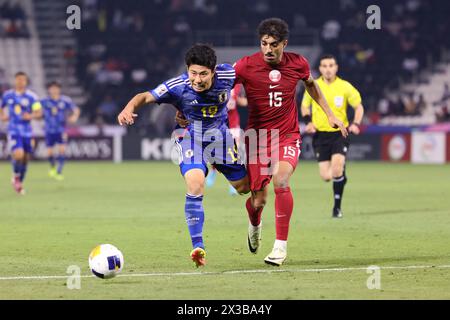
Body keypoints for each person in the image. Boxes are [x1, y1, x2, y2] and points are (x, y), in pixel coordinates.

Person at [177, 18, 347, 266]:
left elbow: (311, 85)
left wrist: (330, 114)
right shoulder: (245, 66)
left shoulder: (298, 63)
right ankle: (254, 222)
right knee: (258, 201)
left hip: (287, 134)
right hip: (257, 139)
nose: (268, 48)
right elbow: (216, 85)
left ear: (284, 44)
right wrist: (186, 109)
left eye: (273, 44)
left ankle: (280, 247)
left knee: (282, 179)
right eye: (264, 43)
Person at [117, 44, 250, 267]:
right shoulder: (177, 85)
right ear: (187, 70)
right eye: (193, 73)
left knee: (244, 188)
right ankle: (198, 246)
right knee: (195, 182)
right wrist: (128, 108)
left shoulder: (228, 74)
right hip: (191, 139)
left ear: (214, 71)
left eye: (203, 74)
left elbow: (252, 74)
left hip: (221, 139)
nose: (197, 79)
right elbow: (144, 96)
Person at [301, 54, 364, 218]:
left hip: (339, 133)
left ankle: (337, 208)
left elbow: (358, 107)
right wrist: (308, 121)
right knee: (326, 176)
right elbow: (304, 107)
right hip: (320, 135)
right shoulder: (313, 86)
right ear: (320, 68)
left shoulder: (345, 87)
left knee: (336, 169)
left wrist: (356, 123)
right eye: (324, 66)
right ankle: (341, 175)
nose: (328, 69)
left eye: (331, 65)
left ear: (336, 68)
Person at [0, 72, 42, 194]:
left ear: (26, 81)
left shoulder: (32, 96)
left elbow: (39, 113)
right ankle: (15, 176)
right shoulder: (8, 95)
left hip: (27, 131)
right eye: (18, 79)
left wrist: (31, 115)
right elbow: (1, 107)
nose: (20, 82)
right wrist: (3, 116)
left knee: (25, 158)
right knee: (18, 154)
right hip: (13, 129)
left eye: (23, 79)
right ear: (15, 81)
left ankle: (19, 181)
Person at [205, 84, 247, 195]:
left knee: (235, 154)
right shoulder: (216, 90)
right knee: (215, 153)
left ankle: (233, 184)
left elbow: (243, 102)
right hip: (220, 125)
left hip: (233, 126)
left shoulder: (236, 88)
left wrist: (240, 99)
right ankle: (213, 171)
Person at [41, 81, 80, 180]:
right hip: (49, 129)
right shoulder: (44, 101)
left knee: (62, 150)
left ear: (59, 89)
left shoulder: (65, 100)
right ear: (49, 89)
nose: (54, 90)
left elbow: (76, 110)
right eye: (52, 88)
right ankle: (52, 167)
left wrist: (74, 117)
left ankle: (59, 171)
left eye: (56, 88)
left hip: (61, 129)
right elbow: (36, 110)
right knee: (49, 152)